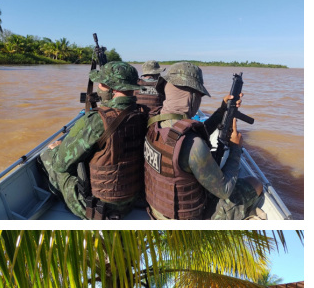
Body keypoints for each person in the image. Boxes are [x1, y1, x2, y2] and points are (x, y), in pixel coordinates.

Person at [143, 61, 264, 220]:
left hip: (156, 209)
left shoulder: (154, 125)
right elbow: (225, 190)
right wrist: (235, 148)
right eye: (199, 96)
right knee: (256, 184)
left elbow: (187, 139)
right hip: (187, 218)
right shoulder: (193, 144)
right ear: (192, 98)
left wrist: (221, 111)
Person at [40, 61, 148, 219]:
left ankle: (59, 197)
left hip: (100, 209)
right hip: (130, 202)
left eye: (102, 84)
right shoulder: (143, 114)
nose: (99, 88)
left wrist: (57, 148)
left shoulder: (96, 120)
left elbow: (61, 164)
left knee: (47, 157)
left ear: (113, 89)